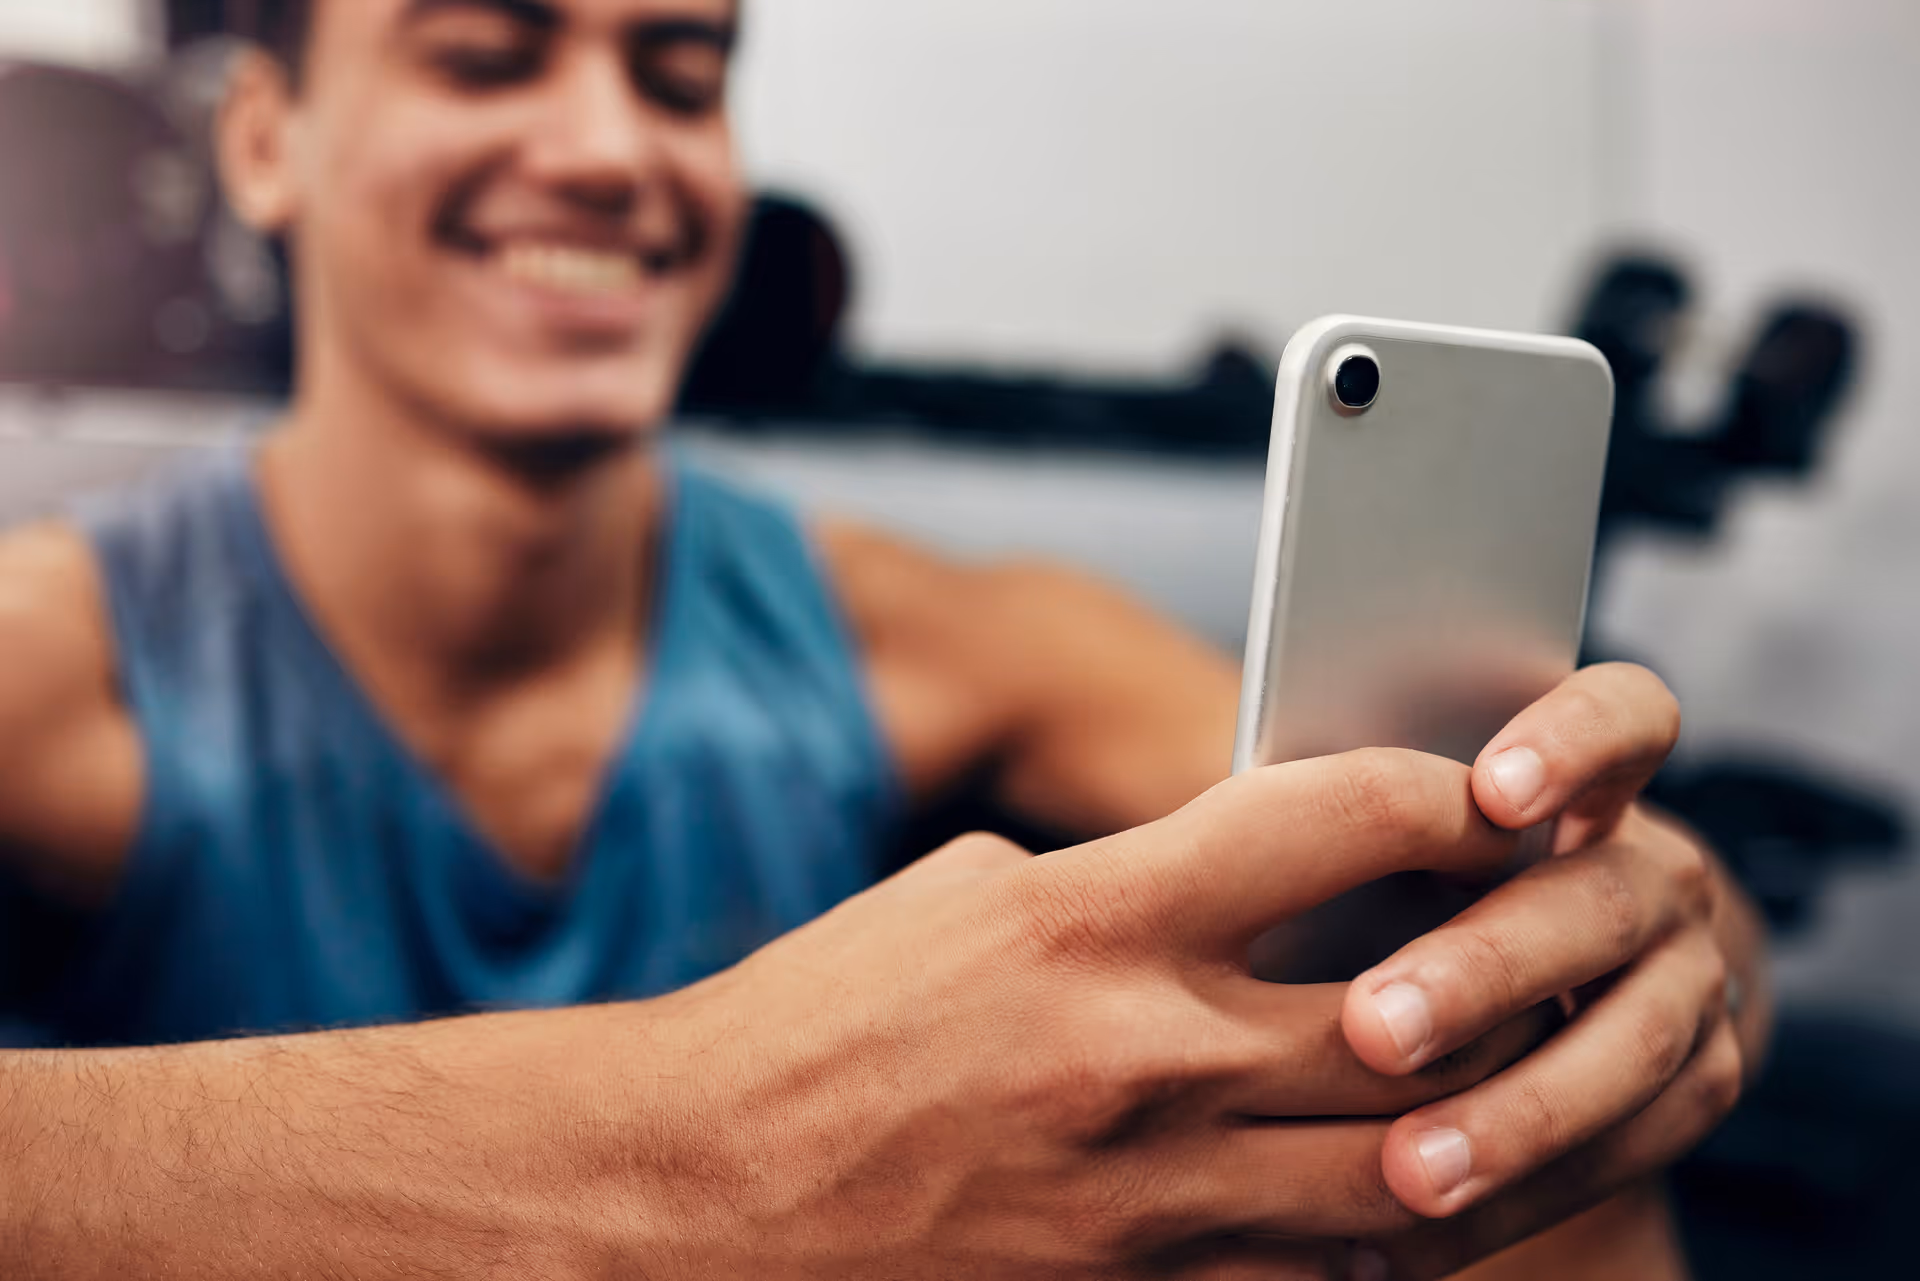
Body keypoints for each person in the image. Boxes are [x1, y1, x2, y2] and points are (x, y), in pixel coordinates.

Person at [0, 1, 1766, 1276]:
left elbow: (1578, 906)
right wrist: (689, 1171)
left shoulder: (922, 631)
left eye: (680, 78)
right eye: (487, 54)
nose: (613, 151)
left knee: (1524, 1128)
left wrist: (1664, 935)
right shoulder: (60, 647)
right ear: (260, 140)